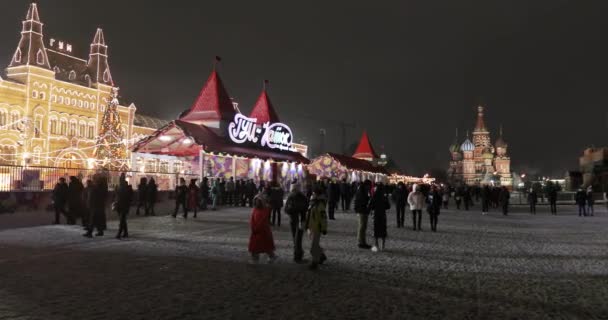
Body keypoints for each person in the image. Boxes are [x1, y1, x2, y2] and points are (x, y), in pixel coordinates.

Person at [248, 192, 277, 264]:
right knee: (254, 246)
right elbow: (252, 218)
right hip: (255, 231)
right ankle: (255, 258)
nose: (257, 202)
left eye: (258, 201)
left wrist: (257, 228)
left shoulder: (265, 210)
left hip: (263, 231)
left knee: (266, 246)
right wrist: (253, 226)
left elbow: (263, 221)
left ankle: (272, 256)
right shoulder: (255, 209)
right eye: (255, 201)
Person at [284, 182, 309, 262]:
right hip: (298, 220)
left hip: (296, 219)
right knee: (297, 239)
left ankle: (297, 255)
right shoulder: (299, 197)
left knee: (296, 238)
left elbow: (286, 209)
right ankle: (298, 256)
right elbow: (305, 208)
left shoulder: (292, 197)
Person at [306, 186, 328, 270]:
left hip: (316, 227)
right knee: (315, 244)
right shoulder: (313, 203)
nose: (312, 195)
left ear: (316, 194)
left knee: (313, 247)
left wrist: (324, 228)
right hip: (311, 227)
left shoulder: (320, 204)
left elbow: (323, 218)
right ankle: (322, 256)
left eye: (313, 193)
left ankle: (314, 262)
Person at [369, 184, 390, 252]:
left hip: (376, 214)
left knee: (376, 229)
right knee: (383, 229)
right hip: (382, 214)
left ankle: (376, 244)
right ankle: (383, 245)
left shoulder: (374, 196)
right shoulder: (384, 197)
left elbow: (370, 206)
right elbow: (388, 206)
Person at [354, 180, 372, 249]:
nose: (370, 187)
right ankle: (361, 242)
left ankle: (362, 242)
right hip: (362, 211)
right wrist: (368, 199)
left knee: (363, 227)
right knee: (362, 227)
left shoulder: (362, 190)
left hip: (362, 210)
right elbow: (362, 201)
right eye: (369, 186)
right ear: (366, 185)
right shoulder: (362, 191)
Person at [115, 173, 133, 239]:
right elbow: (117, 196)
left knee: (122, 220)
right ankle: (125, 232)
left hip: (123, 205)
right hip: (121, 205)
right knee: (123, 220)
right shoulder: (120, 187)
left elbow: (123, 196)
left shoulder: (125, 187)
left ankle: (119, 234)